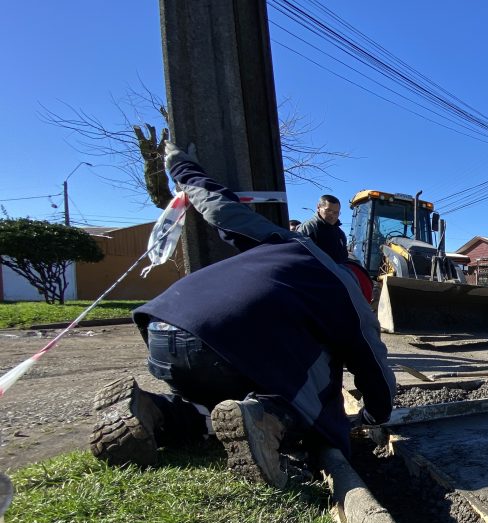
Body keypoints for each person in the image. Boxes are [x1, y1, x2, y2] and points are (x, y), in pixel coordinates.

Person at [89, 143, 395, 488]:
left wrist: (180, 166)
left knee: (207, 405)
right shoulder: (349, 297)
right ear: (362, 287)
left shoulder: (287, 243)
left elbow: (221, 209)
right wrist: (375, 415)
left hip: (166, 328)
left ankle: (154, 410)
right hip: (230, 344)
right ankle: (269, 418)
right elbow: (375, 369)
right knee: (322, 381)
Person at [296, 195, 348, 263]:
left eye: (336, 213)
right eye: (328, 211)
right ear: (318, 207)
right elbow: (300, 256)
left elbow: (344, 259)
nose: (332, 215)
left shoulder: (340, 233)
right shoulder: (308, 228)